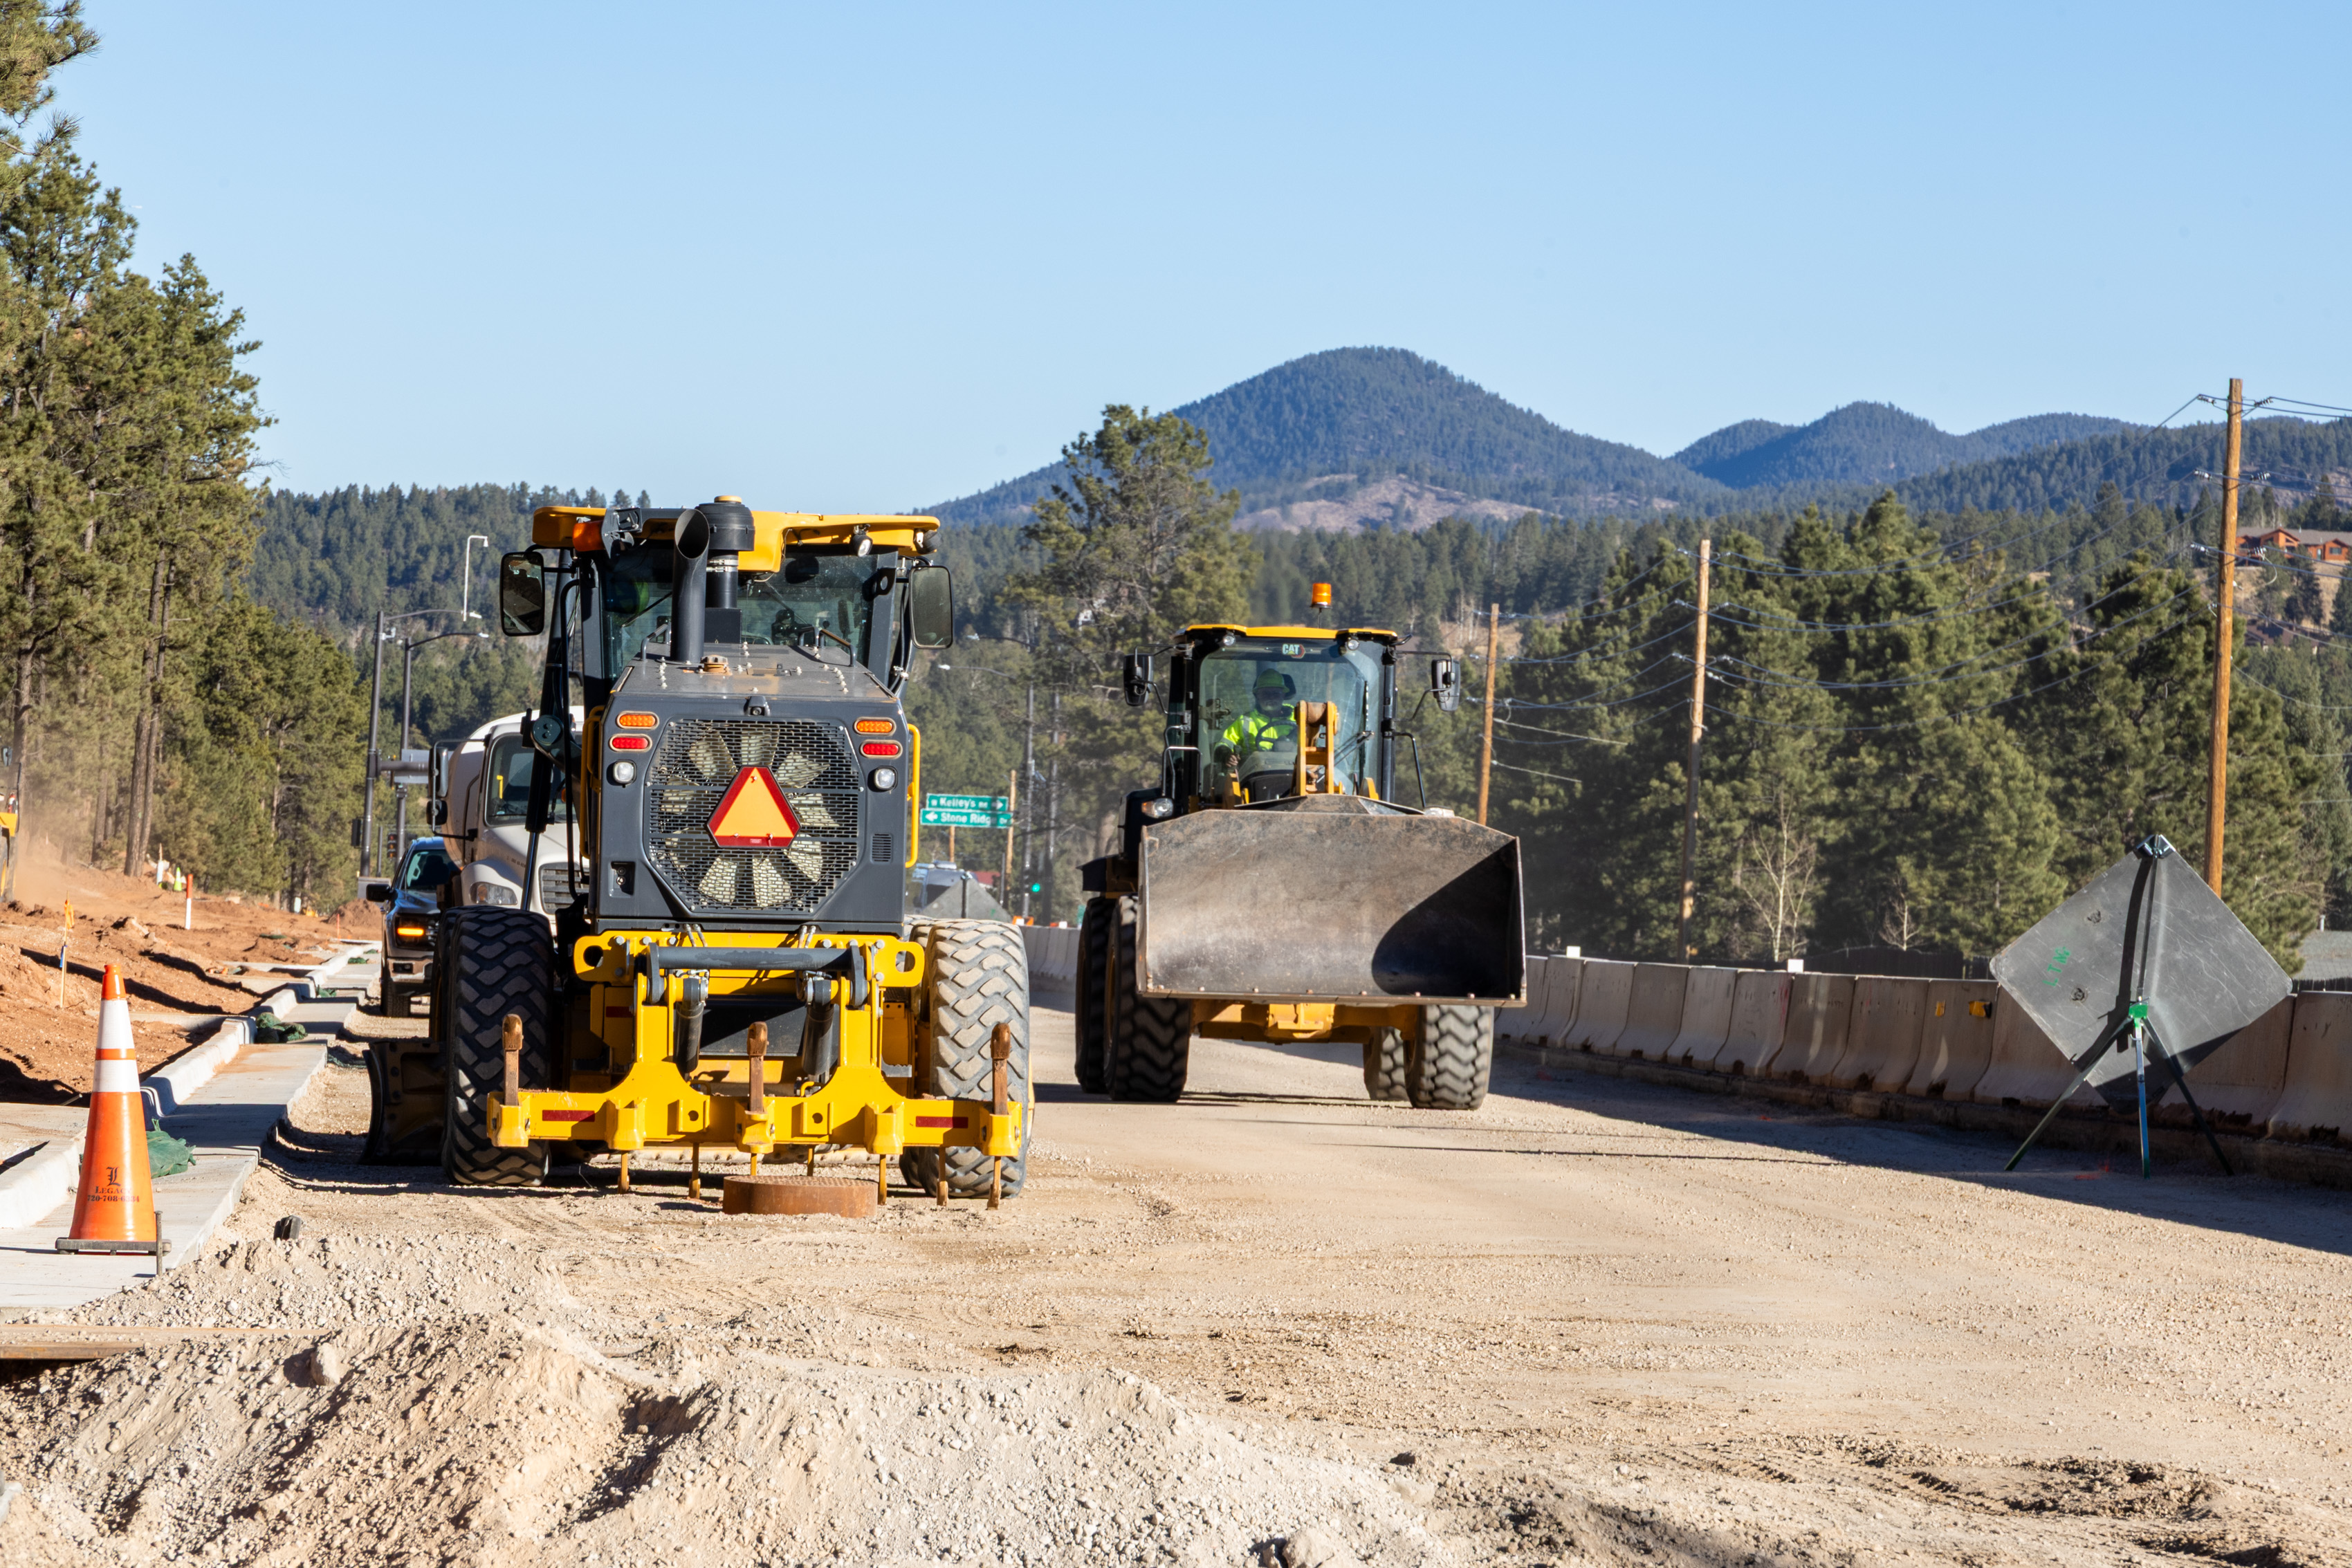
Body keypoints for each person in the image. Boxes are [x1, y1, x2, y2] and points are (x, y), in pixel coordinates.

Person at [1213, 668, 1299, 784]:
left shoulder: (1298, 720)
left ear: (1284, 695)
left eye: (1276, 693)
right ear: (1257, 695)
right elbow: (1223, 744)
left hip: (1293, 777)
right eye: (1265, 693)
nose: (1271, 697)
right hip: (1251, 779)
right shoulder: (1245, 721)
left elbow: (1312, 749)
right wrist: (1226, 755)